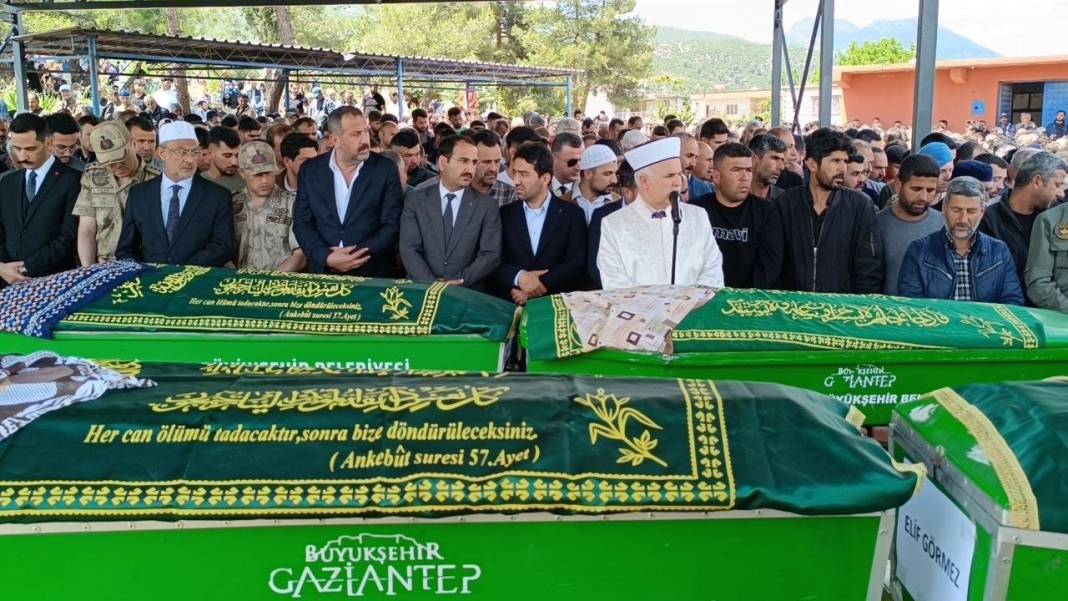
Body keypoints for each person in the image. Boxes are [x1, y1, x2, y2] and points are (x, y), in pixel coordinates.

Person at [597, 137, 723, 289]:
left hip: (694, 310)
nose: (677, 182)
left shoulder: (698, 216)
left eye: (678, 174)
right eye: (669, 176)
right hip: (638, 311)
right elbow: (614, 282)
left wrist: (689, 305)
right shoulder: (614, 224)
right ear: (644, 182)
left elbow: (712, 270)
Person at [291, 106, 402, 277]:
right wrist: (326, 256)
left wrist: (353, 256)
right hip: (323, 273)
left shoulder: (385, 169)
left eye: (365, 131)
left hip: (372, 272)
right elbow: (302, 223)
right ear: (334, 140)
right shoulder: (311, 170)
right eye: (356, 134)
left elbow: (391, 224)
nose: (365, 139)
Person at [776, 128, 883, 293]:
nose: (842, 169)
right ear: (811, 164)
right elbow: (776, 262)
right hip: (792, 308)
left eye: (845, 162)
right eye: (835, 161)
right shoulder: (786, 203)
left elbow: (869, 267)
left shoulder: (860, 206)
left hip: (842, 310)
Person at [115, 121, 234, 266]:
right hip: (150, 281)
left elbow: (223, 246)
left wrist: (181, 271)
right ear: (162, 153)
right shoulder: (139, 194)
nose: (190, 159)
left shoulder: (217, 196)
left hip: (198, 281)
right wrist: (144, 274)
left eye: (194, 152)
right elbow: (126, 249)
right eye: (182, 152)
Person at [899, 177, 1023, 305]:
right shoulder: (919, 251)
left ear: (981, 212)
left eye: (971, 211)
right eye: (956, 210)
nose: (963, 219)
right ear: (944, 209)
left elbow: (1012, 300)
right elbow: (911, 303)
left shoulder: (999, 251)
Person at [399, 134, 501, 290]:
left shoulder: (487, 206)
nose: (470, 169)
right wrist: (432, 285)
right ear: (442, 162)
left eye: (474, 162)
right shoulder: (416, 200)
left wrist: (458, 282)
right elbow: (409, 249)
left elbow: (490, 255)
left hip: (467, 293)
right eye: (463, 161)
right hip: (421, 291)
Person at [493, 141, 587, 304]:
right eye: (514, 172)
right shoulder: (504, 214)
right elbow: (494, 260)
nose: (516, 181)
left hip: (556, 305)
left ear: (545, 178)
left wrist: (537, 286)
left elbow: (576, 263)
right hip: (510, 303)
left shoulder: (572, 215)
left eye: (524, 174)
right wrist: (520, 278)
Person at [0, 113, 80, 284]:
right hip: (6, 281)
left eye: (30, 149)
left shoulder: (74, 180)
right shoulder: (7, 182)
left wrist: (25, 268)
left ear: (48, 143)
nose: (22, 157)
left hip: (54, 281)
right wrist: (3, 268)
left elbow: (68, 238)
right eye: (16, 148)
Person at [691, 143, 783, 288]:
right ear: (716, 176)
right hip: (705, 296)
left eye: (748, 170)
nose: (745, 177)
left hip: (749, 300)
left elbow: (769, 268)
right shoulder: (696, 210)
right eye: (736, 170)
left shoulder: (766, 211)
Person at [73, 121, 161, 266]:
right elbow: (86, 229)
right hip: (103, 263)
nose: (117, 166)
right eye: (109, 162)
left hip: (145, 264)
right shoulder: (93, 177)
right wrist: (89, 268)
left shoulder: (155, 179)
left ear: (132, 144)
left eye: (121, 158)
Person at [979, 151, 1067, 284]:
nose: (1061, 193)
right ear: (1037, 181)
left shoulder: (1058, 218)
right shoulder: (988, 219)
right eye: (1057, 185)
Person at [876, 155, 944, 295]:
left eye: (930, 190)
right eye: (916, 189)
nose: (923, 197)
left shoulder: (945, 226)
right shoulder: (876, 224)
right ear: (898, 185)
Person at [231, 141, 305, 272]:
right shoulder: (230, 205)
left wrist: (269, 282)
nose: (264, 180)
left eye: (269, 173)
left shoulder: (292, 203)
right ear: (242, 174)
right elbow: (221, 252)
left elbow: (300, 255)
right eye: (257, 175)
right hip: (238, 283)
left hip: (280, 284)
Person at [469, 129, 516, 207]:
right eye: (486, 162)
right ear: (471, 162)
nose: (493, 169)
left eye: (497, 161)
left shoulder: (510, 193)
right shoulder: (458, 191)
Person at [573, 144, 619, 223]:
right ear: (588, 174)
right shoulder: (561, 202)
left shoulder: (619, 203)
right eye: (608, 173)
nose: (614, 180)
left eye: (615, 173)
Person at [747, 134, 787, 200]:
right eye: (775, 158)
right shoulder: (732, 195)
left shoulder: (783, 200)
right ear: (753, 159)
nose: (781, 167)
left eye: (782, 160)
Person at [550, 132, 583, 200]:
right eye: (572, 162)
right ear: (553, 160)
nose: (578, 167)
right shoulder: (537, 186)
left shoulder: (588, 191)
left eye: (582, 160)